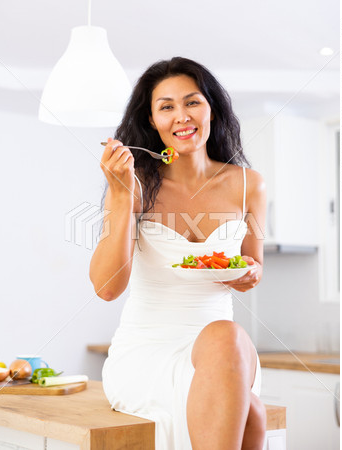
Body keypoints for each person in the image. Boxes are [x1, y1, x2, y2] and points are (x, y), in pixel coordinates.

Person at [89, 56, 267, 450]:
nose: (181, 116)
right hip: (146, 350)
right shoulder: (133, 184)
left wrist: (249, 273)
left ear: (212, 109)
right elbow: (106, 287)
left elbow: (251, 269)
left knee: (225, 336)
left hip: (225, 350)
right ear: (153, 121)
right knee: (251, 414)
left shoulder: (249, 186)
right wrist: (122, 197)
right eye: (166, 107)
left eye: (192, 102)